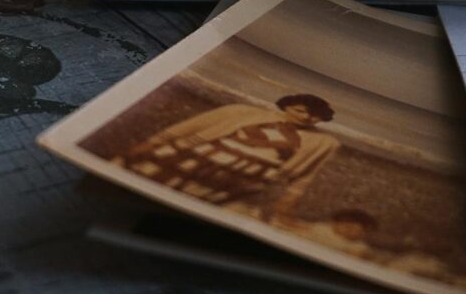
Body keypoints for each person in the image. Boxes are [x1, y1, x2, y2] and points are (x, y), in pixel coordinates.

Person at [117, 94, 338, 220]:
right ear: (287, 106)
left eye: (315, 116)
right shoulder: (242, 111)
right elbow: (190, 126)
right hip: (198, 156)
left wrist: (289, 201)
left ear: (323, 119)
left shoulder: (325, 142)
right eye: (299, 110)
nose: (306, 117)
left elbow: (306, 176)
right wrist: (154, 142)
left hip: (248, 177)